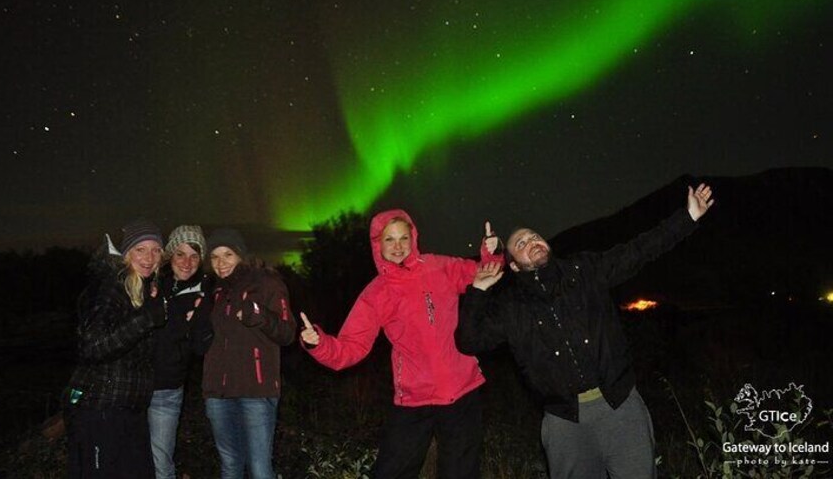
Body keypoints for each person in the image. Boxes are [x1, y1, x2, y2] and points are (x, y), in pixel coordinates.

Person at [456, 184, 715, 479]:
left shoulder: (583, 270)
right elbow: (468, 341)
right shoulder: (512, 307)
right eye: (522, 243)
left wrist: (688, 218)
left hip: (620, 405)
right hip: (564, 422)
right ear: (513, 266)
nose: (533, 242)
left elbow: (638, 251)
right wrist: (477, 291)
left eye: (535, 236)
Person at [299, 209, 502, 479]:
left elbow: (483, 273)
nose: (398, 246)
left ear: (413, 238)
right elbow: (351, 347)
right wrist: (319, 344)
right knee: (391, 472)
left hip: (462, 391)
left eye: (403, 238)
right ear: (377, 244)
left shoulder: (438, 266)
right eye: (389, 239)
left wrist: (492, 253)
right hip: (414, 398)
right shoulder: (376, 293)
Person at [65, 219, 168, 479]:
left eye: (156, 250)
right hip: (102, 409)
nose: (149, 258)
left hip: (130, 410)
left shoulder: (142, 288)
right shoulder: (111, 287)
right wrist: (146, 319)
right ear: (126, 254)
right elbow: (92, 346)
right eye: (140, 249)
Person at [202, 228, 296, 479]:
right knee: (230, 465)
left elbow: (287, 333)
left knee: (259, 469)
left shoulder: (266, 283)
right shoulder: (215, 291)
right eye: (214, 257)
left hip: (255, 391)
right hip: (218, 393)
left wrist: (258, 314)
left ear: (240, 255)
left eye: (228, 255)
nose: (221, 263)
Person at [148, 225, 214, 479]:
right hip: (132, 386)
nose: (187, 262)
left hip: (166, 390)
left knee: (161, 464)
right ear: (169, 256)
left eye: (194, 256)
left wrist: (199, 319)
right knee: (130, 458)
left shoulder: (204, 294)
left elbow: (200, 347)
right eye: (180, 254)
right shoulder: (151, 282)